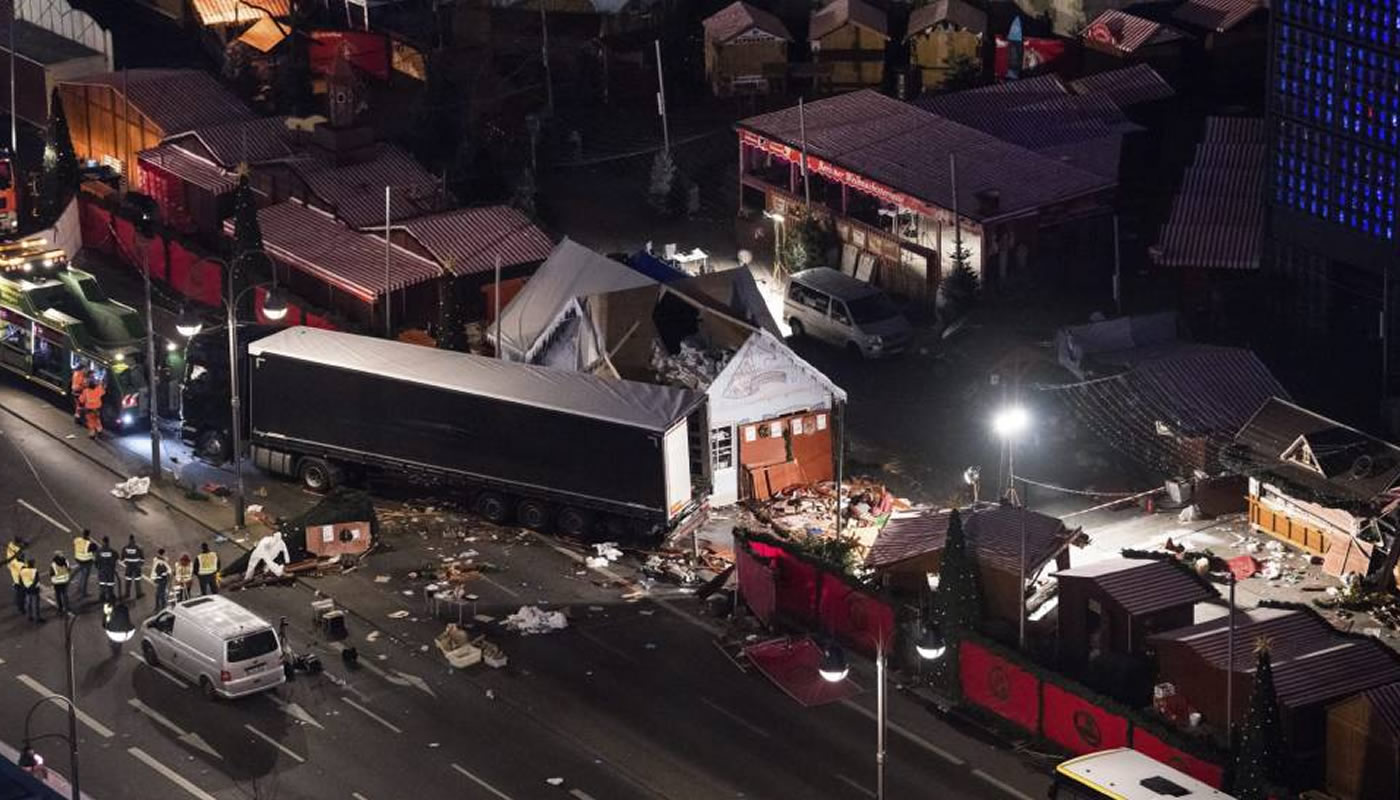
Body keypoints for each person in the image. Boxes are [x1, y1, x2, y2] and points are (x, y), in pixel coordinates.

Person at [71, 529, 94, 599]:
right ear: (88, 535)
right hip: (86, 561)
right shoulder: (89, 543)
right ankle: (84, 592)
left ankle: (78, 588)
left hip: (78, 559)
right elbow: (93, 550)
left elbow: (74, 541)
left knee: (81, 573)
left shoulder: (77, 540)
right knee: (85, 576)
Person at [94, 535, 117, 604]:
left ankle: (102, 596)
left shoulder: (99, 551)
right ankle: (110, 596)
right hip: (110, 570)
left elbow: (96, 561)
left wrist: (98, 567)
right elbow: (116, 557)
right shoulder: (112, 551)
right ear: (108, 542)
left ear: (103, 542)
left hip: (102, 570)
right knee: (110, 584)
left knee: (102, 583)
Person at [120, 535, 144, 600]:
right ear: (134, 540)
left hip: (129, 567)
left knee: (128, 580)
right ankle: (138, 594)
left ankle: (127, 594)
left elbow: (122, 559)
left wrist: (126, 565)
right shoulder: (138, 548)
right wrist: (140, 565)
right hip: (137, 567)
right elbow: (142, 559)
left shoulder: (125, 548)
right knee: (137, 581)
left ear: (129, 540)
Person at [20, 558, 42, 623]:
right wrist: (32, 586)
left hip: (26, 589)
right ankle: (37, 618)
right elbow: (36, 580)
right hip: (34, 590)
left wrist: (24, 586)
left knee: (28, 603)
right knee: (36, 604)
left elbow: (20, 579)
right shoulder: (35, 571)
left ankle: (29, 616)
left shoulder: (23, 570)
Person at [7, 539, 26, 614]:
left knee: (17, 594)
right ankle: (21, 608)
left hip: (15, 580)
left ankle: (18, 604)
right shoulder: (21, 565)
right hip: (20, 581)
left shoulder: (12, 562)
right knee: (21, 595)